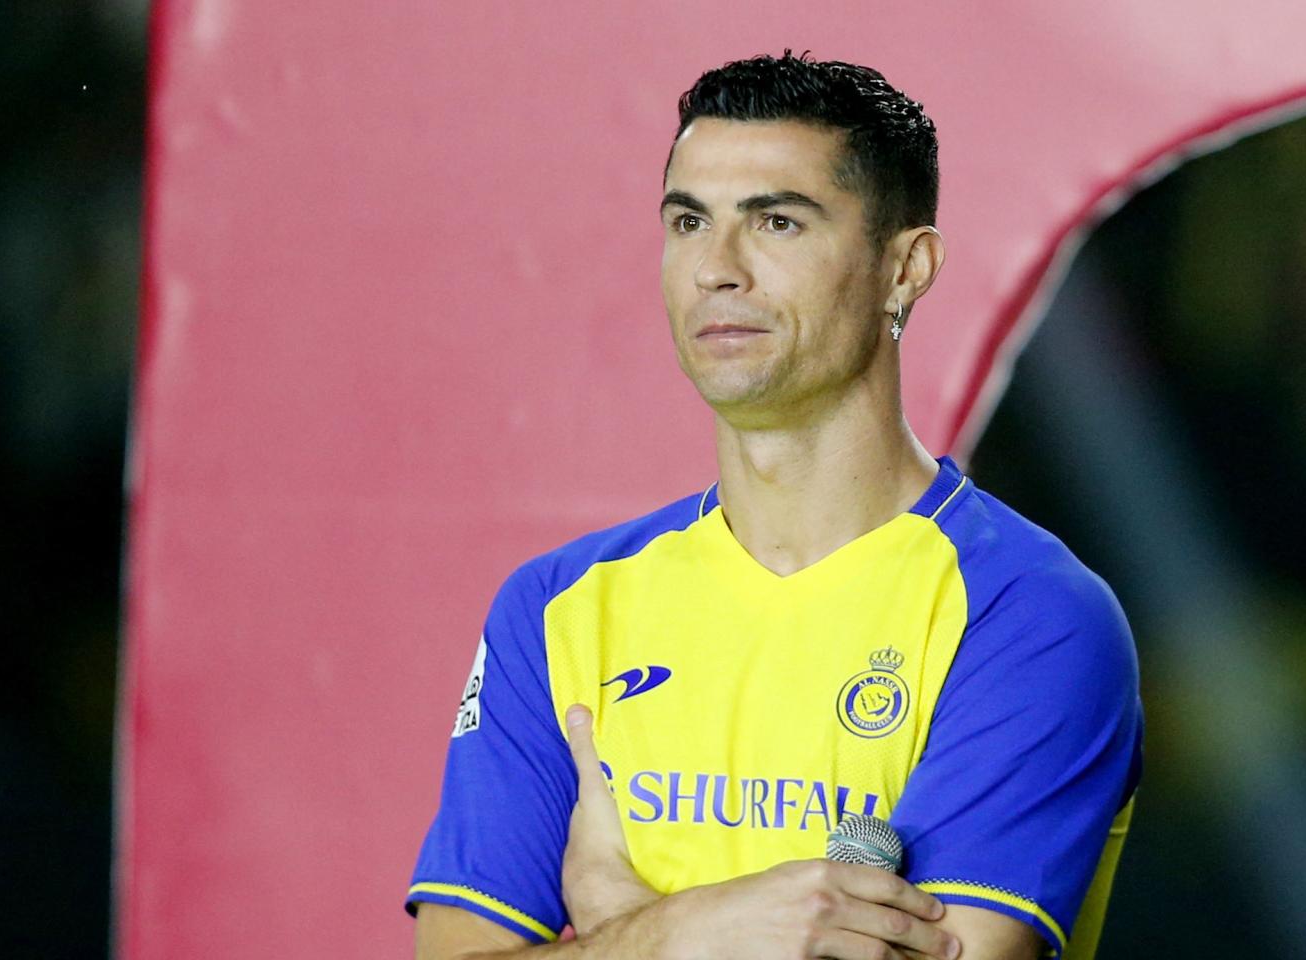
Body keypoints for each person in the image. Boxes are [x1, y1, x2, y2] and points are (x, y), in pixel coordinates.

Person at [406, 52, 1142, 960]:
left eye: (777, 222)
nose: (715, 269)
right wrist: (681, 932)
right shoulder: (556, 608)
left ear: (904, 268)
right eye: (689, 222)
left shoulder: (1030, 614)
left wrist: (622, 923)